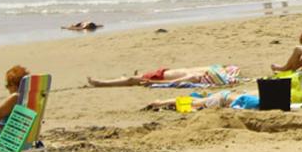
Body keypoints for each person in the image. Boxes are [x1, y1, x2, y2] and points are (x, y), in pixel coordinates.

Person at [0, 65, 27, 151]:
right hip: (26, 141)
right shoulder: (30, 98)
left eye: (8, 85)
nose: (7, 88)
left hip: (11, 143)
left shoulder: (16, 97)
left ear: (14, 85)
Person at [87, 65, 239, 87]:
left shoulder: (196, 77)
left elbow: (175, 81)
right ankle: (120, 79)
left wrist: (157, 84)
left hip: (161, 77)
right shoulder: (205, 71)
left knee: (132, 80)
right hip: (164, 72)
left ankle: (101, 83)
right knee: (133, 78)